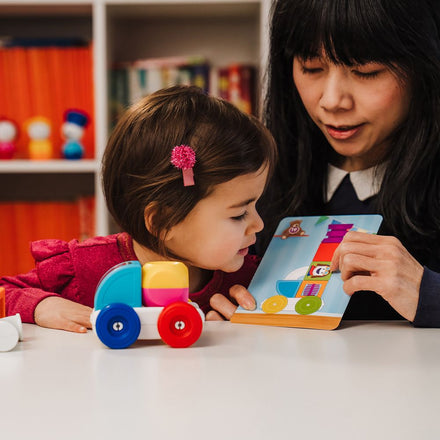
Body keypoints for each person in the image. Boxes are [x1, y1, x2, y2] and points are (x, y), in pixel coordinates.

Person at [1, 85, 277, 332]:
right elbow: (6, 290)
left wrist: (254, 326)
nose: (259, 224)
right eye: (239, 214)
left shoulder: (252, 279)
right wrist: (43, 306)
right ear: (163, 221)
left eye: (256, 205)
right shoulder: (83, 267)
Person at [242, 0, 440, 328]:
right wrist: (215, 300)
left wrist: (428, 292)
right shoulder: (253, 182)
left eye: (366, 71)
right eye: (311, 67)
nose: (332, 101)